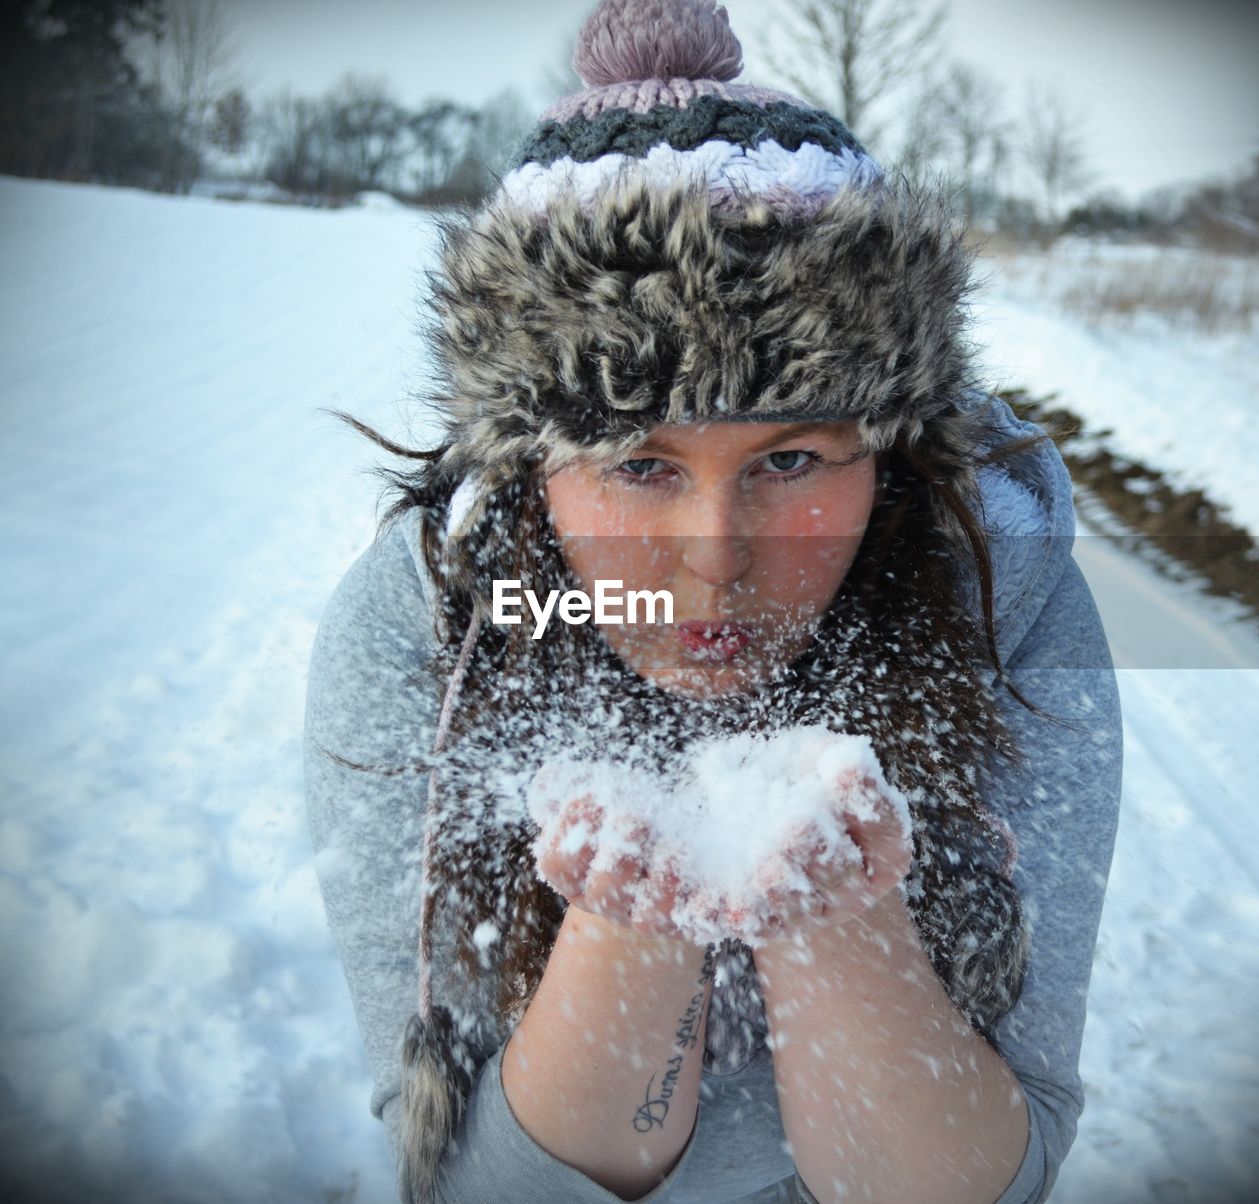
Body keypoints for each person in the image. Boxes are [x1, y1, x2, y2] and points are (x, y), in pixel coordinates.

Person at [302, 2, 1123, 1201]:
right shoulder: (425, 630)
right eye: (638, 465)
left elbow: (998, 1171)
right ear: (536, 461)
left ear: (885, 451)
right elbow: (464, 1180)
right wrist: (631, 932)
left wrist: (836, 921)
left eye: (790, 460)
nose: (714, 563)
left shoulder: (999, 591)